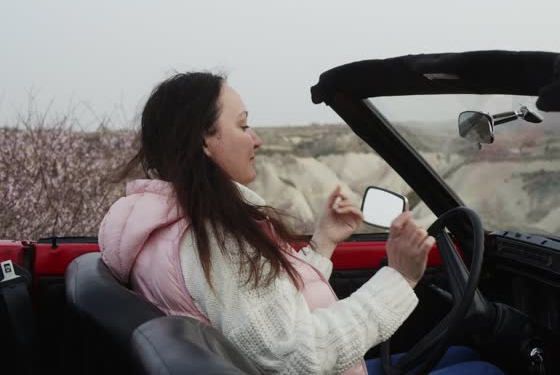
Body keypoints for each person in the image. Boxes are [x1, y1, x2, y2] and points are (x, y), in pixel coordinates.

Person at [98, 72, 504, 374]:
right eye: (242, 125)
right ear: (204, 141)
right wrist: (400, 278)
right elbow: (300, 355)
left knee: (464, 355)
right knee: (487, 370)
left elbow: (264, 313)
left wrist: (323, 243)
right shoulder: (212, 243)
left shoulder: (164, 229)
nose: (255, 139)